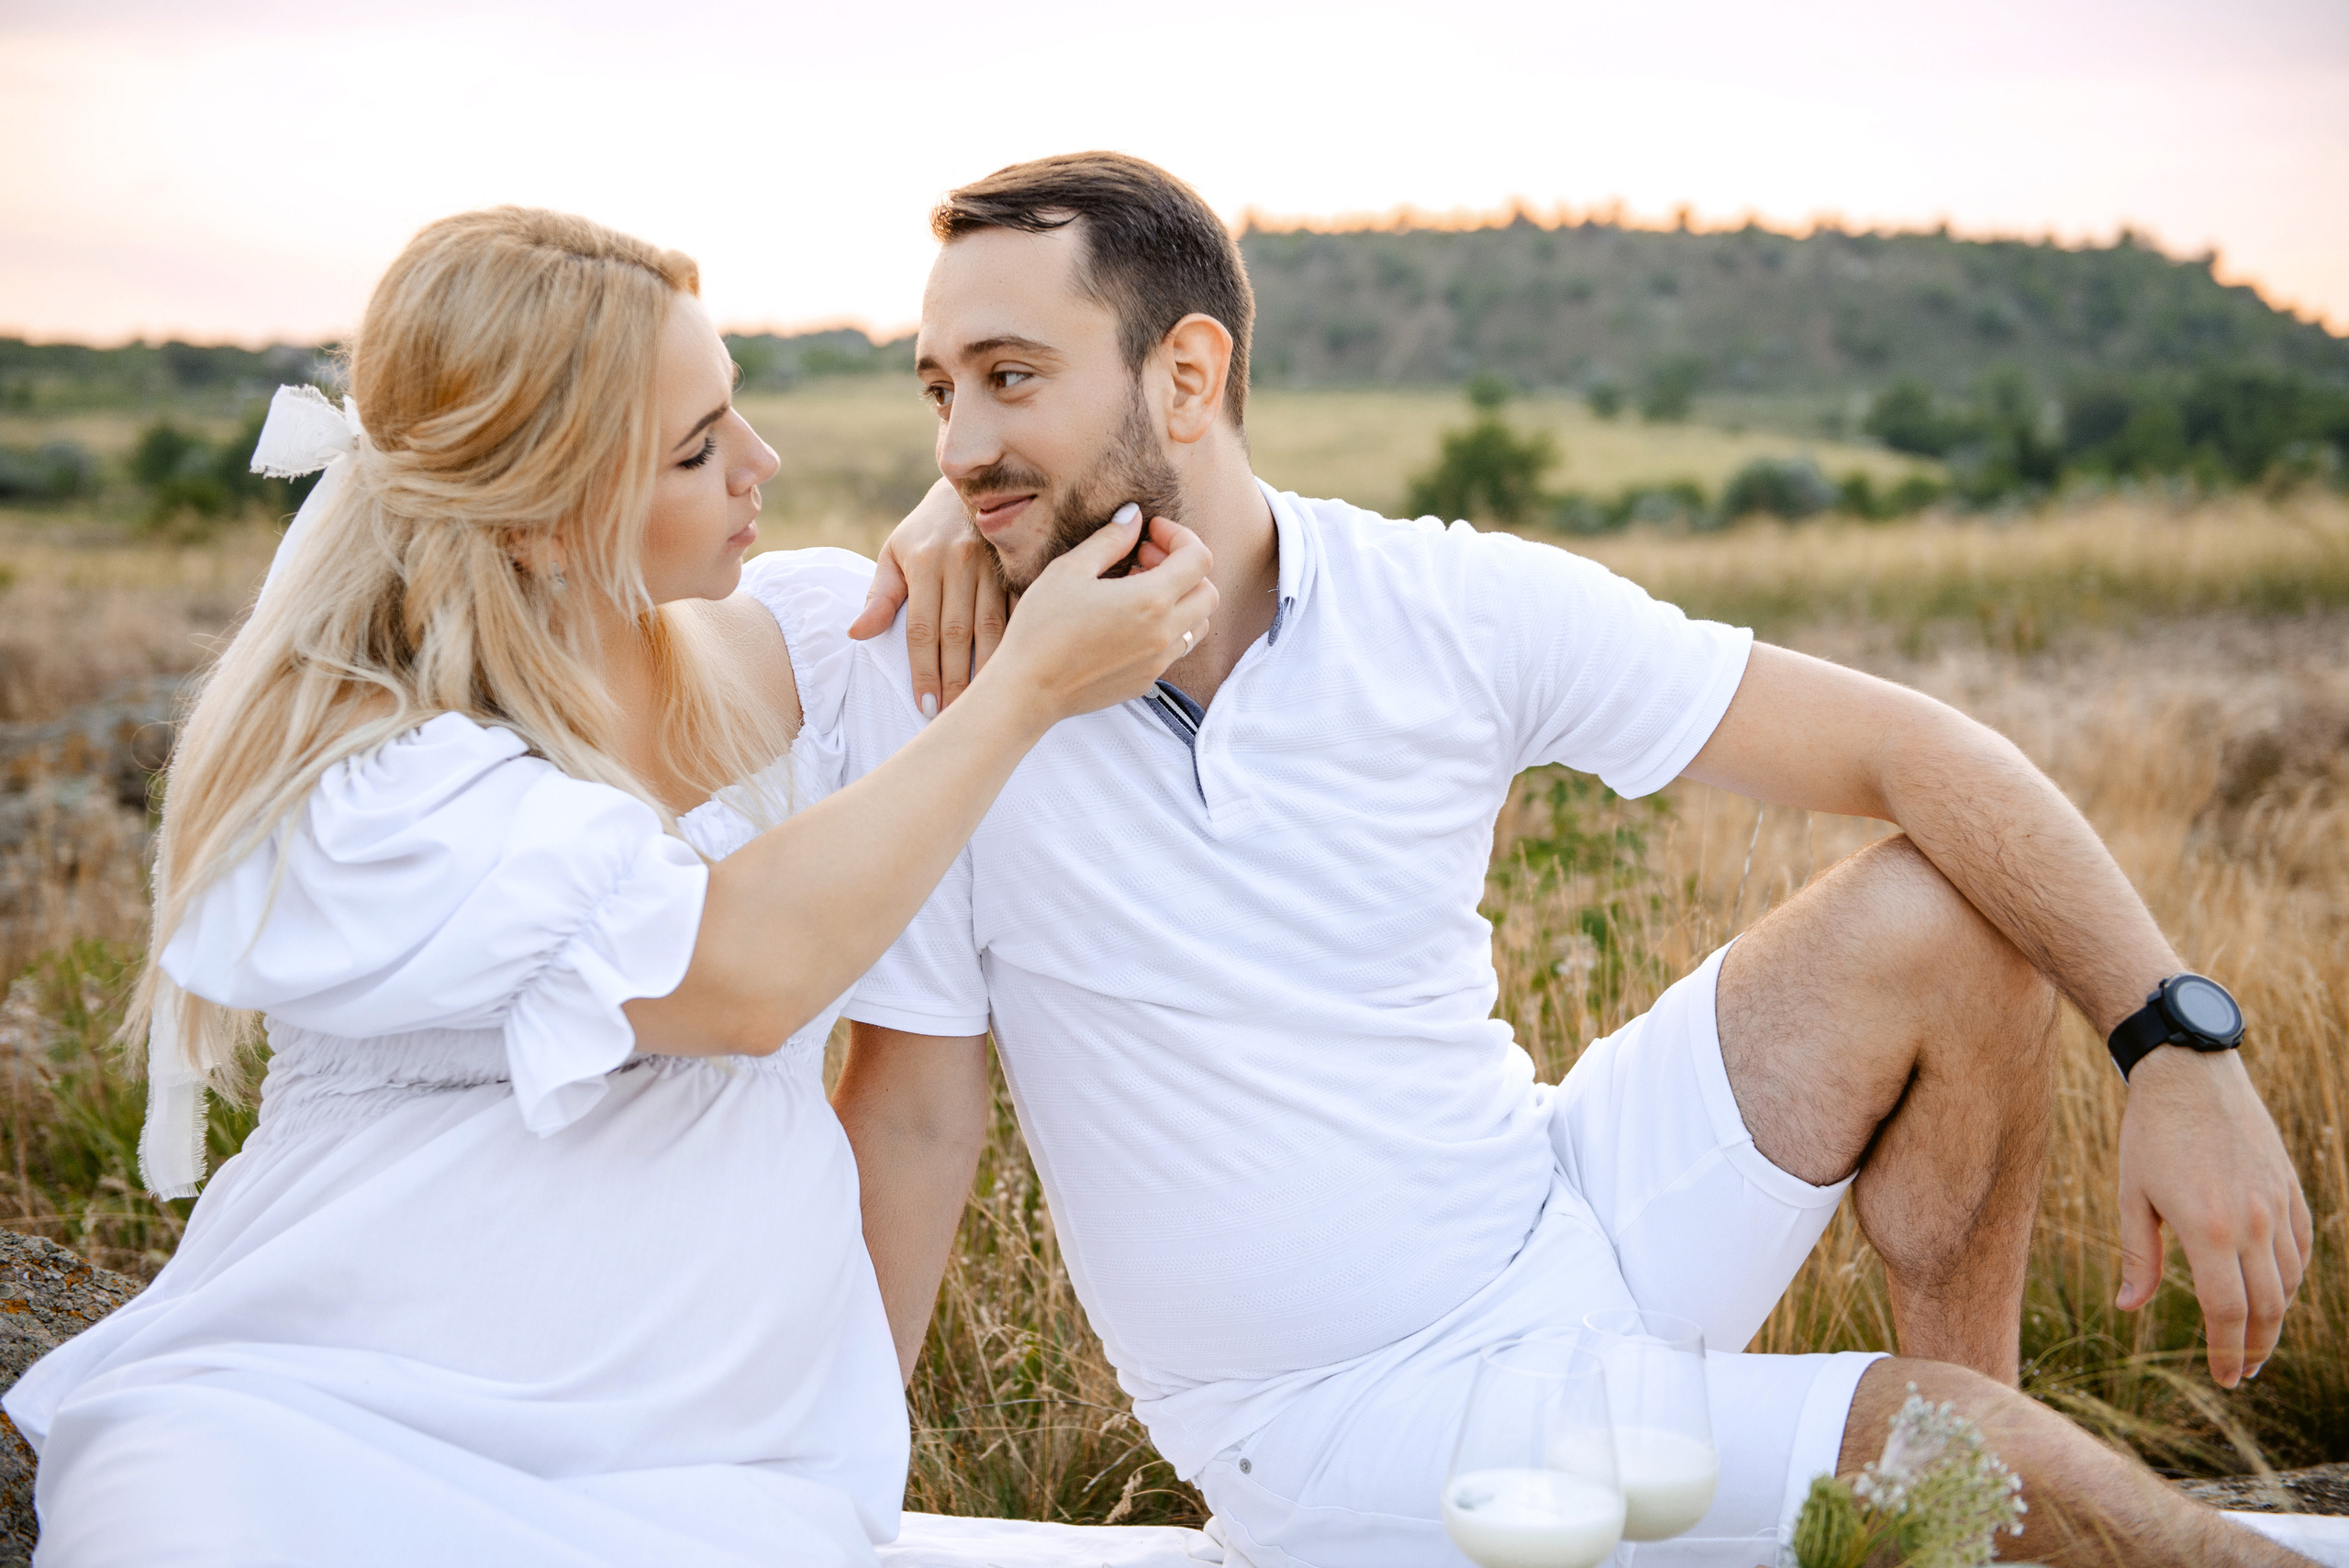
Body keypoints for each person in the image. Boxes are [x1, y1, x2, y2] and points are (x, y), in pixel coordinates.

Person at [834, 153, 2316, 1568]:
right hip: (1354, 1421)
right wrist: (821, 1500)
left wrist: (2174, 1043)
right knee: (1959, 1449)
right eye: (940, 391)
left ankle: (1958, 1523)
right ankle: (1963, 1466)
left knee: (1950, 911)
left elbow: (1912, 746)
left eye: (1010, 377)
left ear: (1188, 376)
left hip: (1562, 1212)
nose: (958, 447)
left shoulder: (1435, 603)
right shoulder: (945, 680)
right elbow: (909, 1121)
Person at [1, 206, 1215, 1568]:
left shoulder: (832, 647)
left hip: (720, 1465)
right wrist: (1023, 691)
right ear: (542, 517)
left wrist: (965, 492)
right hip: (337, 1422)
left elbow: (920, 1109)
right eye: (697, 449)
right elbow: (743, 977)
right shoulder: (360, 787)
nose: (760, 462)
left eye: (734, 407)